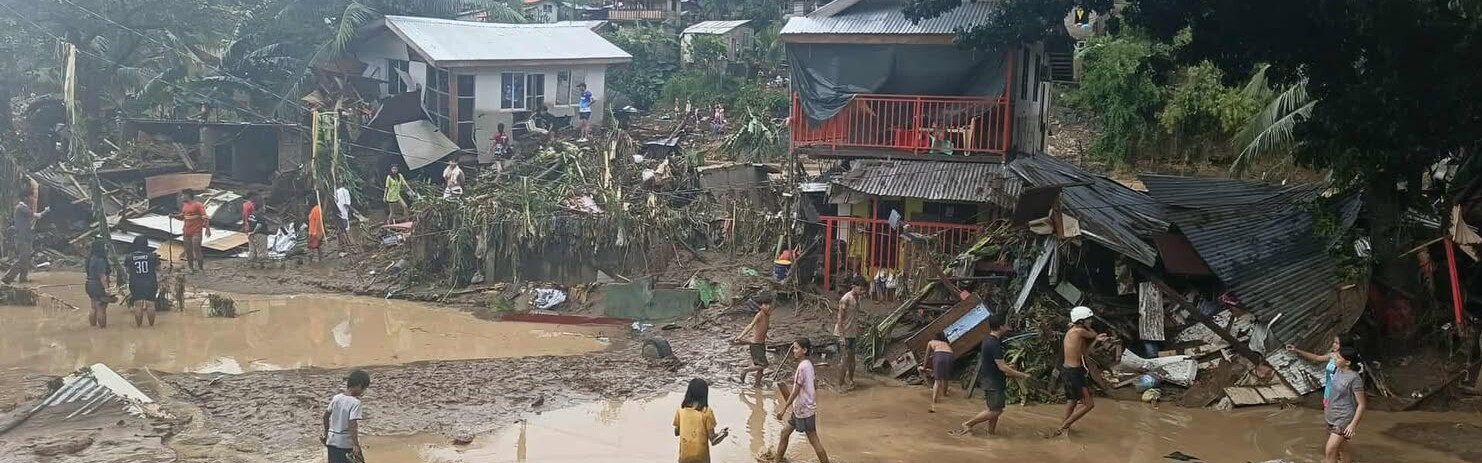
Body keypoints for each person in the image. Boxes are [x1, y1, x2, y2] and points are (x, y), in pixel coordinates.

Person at [956, 313, 1030, 435]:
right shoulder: (994, 343)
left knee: (994, 409)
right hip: (993, 382)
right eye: (1006, 324)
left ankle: (991, 433)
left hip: (991, 380)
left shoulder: (988, 340)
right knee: (996, 411)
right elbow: (1002, 367)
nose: (1008, 326)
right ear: (1001, 327)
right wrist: (1022, 375)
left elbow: (997, 363)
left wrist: (1007, 366)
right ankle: (968, 423)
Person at [1049, 306, 1110, 437]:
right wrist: (1096, 337)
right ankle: (1062, 427)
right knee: (1089, 405)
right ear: (1081, 321)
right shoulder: (1079, 332)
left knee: (1071, 402)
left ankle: (1064, 427)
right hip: (1074, 373)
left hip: (1067, 371)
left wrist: (1096, 341)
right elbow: (1093, 334)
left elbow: (1085, 353)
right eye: (1088, 320)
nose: (1091, 322)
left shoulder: (1073, 332)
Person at [773, 338, 830, 463]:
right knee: (784, 433)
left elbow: (795, 392)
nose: (794, 351)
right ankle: (777, 460)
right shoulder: (809, 365)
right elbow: (814, 385)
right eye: (793, 348)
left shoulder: (802, 368)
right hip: (803, 408)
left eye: (796, 348)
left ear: (804, 350)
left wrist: (783, 409)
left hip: (803, 410)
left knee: (814, 440)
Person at [1287, 334, 1358, 408]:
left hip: (1341, 393)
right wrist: (1296, 350)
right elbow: (1317, 358)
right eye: (1334, 342)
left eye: (1337, 343)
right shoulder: (1332, 355)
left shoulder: (1345, 362)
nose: (1333, 344)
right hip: (1329, 391)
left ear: (1344, 345)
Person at [1324, 345, 1367, 463]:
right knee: (1342, 447)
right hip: (1331, 414)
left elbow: (1362, 404)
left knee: (1330, 450)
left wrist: (1352, 425)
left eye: (1338, 358)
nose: (1334, 359)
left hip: (1344, 418)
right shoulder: (1338, 370)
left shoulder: (1354, 379)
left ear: (1347, 362)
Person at [673, 378, 729, 463]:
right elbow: (713, 440)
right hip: (701, 457)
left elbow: (676, 432)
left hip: (684, 456)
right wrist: (723, 434)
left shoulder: (680, 410)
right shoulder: (707, 412)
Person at [323, 369, 370, 463]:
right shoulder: (355, 403)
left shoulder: (336, 398)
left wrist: (326, 433)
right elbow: (352, 424)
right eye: (363, 389)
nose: (362, 392)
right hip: (345, 444)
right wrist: (355, 444)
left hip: (332, 441)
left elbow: (325, 416)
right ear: (359, 386)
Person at [2, 188, 47, 284]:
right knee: (22, 259)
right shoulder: (21, 208)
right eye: (31, 196)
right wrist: (46, 211)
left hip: (25, 236)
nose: (32, 198)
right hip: (22, 237)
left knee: (26, 258)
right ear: (25, 197)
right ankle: (7, 277)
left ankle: (23, 278)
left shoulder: (23, 207)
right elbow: (37, 216)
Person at [732, 296, 774, 387]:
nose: (768, 307)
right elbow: (750, 326)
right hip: (755, 345)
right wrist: (740, 336)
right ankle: (745, 370)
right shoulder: (759, 315)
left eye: (769, 304)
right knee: (764, 365)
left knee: (760, 368)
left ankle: (757, 385)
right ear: (761, 306)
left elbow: (763, 327)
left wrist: (766, 335)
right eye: (766, 305)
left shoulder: (768, 315)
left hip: (762, 344)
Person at [124, 236, 160, 328]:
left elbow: (127, 270)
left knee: (138, 305)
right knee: (150, 305)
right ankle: (151, 326)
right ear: (146, 244)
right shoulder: (152, 256)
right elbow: (158, 269)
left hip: (135, 283)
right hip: (150, 282)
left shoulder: (129, 257)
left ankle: (139, 327)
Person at [836, 282, 865, 390]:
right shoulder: (846, 299)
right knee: (844, 360)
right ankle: (840, 384)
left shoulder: (858, 298)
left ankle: (851, 380)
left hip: (853, 333)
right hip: (844, 333)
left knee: (852, 359)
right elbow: (840, 319)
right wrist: (842, 336)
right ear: (854, 286)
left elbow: (855, 315)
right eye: (861, 288)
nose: (862, 292)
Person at [178, 190, 210, 273]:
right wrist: (174, 216)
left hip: (196, 231)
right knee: (188, 250)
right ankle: (191, 268)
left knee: (197, 249)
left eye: (182, 195)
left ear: (187, 195)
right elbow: (183, 216)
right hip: (186, 231)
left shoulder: (198, 205)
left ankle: (201, 268)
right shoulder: (184, 205)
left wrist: (207, 229)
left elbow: (205, 217)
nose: (181, 197)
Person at [922, 332, 953, 413]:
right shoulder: (945, 343)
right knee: (945, 378)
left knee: (937, 380)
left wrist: (924, 367)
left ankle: (934, 401)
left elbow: (927, 357)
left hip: (939, 355)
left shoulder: (931, 342)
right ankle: (944, 394)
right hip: (950, 355)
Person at [84, 240, 111, 328]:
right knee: (101, 307)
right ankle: (102, 330)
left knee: (93, 306)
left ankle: (93, 327)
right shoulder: (101, 260)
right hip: (98, 284)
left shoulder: (90, 259)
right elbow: (102, 276)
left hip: (89, 284)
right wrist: (107, 289)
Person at [246, 202, 268, 269]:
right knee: (261, 250)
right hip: (259, 234)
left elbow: (248, 223)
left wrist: (250, 232)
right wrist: (254, 231)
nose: (265, 209)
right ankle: (261, 266)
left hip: (250, 235)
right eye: (264, 207)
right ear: (260, 208)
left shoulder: (251, 215)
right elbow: (259, 225)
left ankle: (250, 265)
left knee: (252, 250)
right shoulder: (260, 216)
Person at [307, 197, 325, 262]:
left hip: (315, 232)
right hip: (313, 231)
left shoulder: (316, 209)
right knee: (318, 246)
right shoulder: (314, 209)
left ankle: (310, 261)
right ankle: (320, 259)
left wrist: (314, 233)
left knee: (312, 247)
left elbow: (318, 221)